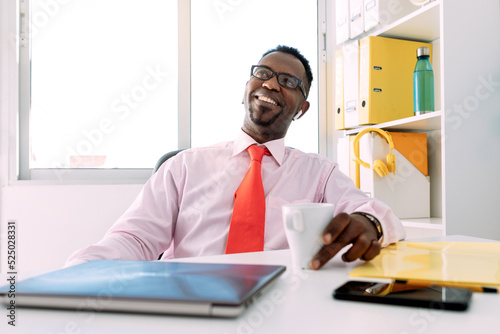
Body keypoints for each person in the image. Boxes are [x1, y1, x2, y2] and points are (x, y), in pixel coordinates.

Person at [65, 45, 405, 270]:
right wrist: (86, 267)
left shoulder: (320, 174)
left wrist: (370, 224)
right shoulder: (183, 167)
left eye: (288, 81)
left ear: (302, 109)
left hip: (281, 301)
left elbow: (379, 215)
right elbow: (136, 238)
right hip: (188, 299)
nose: (271, 84)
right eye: (263, 73)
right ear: (247, 87)